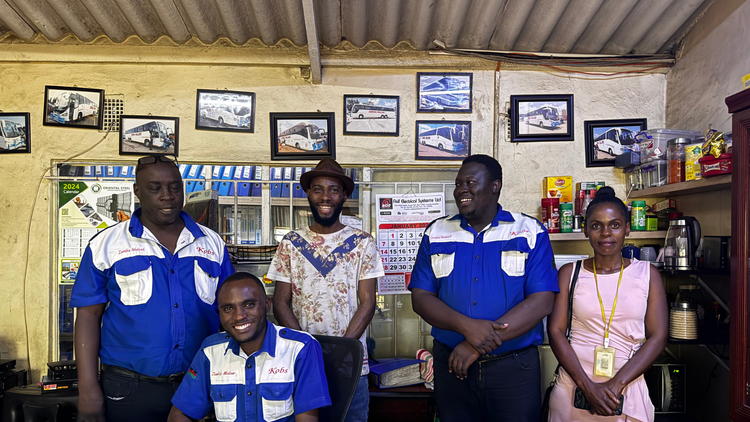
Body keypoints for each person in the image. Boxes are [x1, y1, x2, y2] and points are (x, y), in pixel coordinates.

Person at [71, 155, 235, 422]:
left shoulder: (212, 244)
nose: (167, 196)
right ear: (137, 191)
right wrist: (88, 389)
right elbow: (88, 315)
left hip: (198, 383)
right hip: (127, 388)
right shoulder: (106, 244)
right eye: (155, 187)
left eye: (174, 187)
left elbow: (230, 312)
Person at [409, 154, 559, 422]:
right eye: (458, 184)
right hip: (453, 367)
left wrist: (477, 345)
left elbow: (542, 300)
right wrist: (468, 328)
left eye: (470, 182)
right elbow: (421, 297)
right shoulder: (437, 232)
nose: (461, 189)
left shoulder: (529, 231)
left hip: (513, 369)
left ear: (495, 186)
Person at [269, 158, 384, 422]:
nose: (325, 196)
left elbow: (368, 303)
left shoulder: (363, 242)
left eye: (333, 189)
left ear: (344, 195)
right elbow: (280, 303)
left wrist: (341, 352)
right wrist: (307, 350)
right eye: (318, 189)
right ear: (308, 193)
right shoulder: (291, 242)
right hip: (302, 364)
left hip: (351, 366)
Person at [547, 186, 668, 421]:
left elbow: (658, 337)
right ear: (585, 231)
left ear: (627, 229)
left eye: (614, 224)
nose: (605, 233)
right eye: (596, 225)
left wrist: (615, 386)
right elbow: (555, 331)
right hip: (573, 389)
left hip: (626, 390)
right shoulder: (569, 273)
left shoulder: (647, 274)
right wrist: (589, 388)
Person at [168, 272, 331, 422]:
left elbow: (307, 419)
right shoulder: (210, 351)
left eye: (249, 304)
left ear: (267, 304)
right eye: (228, 308)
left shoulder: (301, 348)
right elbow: (180, 413)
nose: (239, 316)